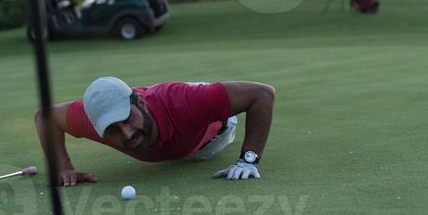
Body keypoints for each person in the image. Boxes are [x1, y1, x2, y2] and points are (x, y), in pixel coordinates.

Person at [34, 77, 276, 186]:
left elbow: (262, 94)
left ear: (140, 102)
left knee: (202, 98)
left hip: (214, 135)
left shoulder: (186, 103)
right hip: (169, 110)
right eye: (113, 130)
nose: (127, 134)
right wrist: (63, 166)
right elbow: (45, 117)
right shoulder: (91, 121)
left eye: (126, 118)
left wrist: (248, 160)